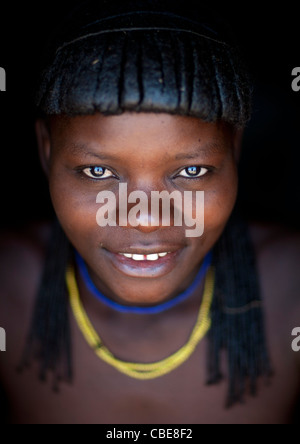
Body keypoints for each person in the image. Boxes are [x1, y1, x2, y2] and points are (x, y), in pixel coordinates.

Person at [0, 0, 300, 424]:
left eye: (191, 171)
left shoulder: (292, 290)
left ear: (235, 150)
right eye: (98, 171)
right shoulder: (6, 285)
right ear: (46, 152)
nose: (146, 218)